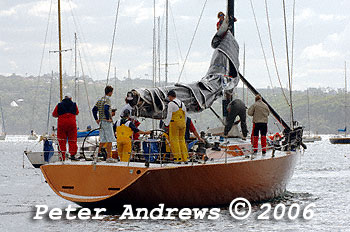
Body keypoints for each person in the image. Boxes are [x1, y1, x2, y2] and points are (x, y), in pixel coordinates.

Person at [52, 93, 79, 161]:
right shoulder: (74, 104)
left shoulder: (59, 105)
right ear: (71, 98)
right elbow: (77, 112)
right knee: (72, 140)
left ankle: (62, 157)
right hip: (72, 124)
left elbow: (54, 114)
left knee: (62, 140)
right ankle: (72, 155)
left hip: (62, 124)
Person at [92, 85, 116, 163]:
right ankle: (109, 157)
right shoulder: (108, 99)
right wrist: (108, 118)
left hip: (101, 122)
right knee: (109, 140)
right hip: (106, 122)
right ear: (110, 92)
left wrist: (96, 119)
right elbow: (106, 108)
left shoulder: (100, 99)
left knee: (102, 140)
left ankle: (96, 156)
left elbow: (94, 110)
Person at [164, 90, 189, 163]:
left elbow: (169, 115)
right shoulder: (182, 103)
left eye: (169, 97)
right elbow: (185, 115)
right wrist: (184, 123)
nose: (168, 98)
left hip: (175, 123)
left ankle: (178, 158)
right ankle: (185, 158)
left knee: (174, 140)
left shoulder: (171, 104)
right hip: (183, 123)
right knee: (182, 140)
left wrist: (166, 124)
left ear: (170, 96)